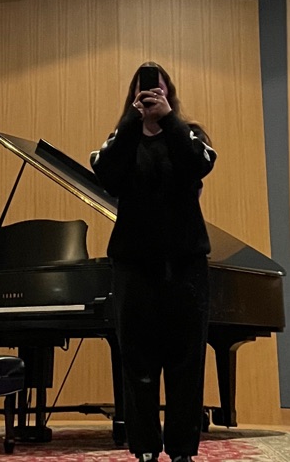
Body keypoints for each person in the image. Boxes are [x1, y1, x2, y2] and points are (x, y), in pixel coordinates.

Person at [91, 61, 217, 462]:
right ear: (133, 96)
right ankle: (144, 448)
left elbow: (199, 164)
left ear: (169, 93)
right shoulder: (120, 139)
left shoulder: (189, 134)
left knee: (186, 362)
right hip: (134, 267)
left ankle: (182, 450)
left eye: (158, 90)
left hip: (186, 267)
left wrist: (169, 120)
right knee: (137, 360)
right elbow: (107, 175)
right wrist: (133, 123)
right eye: (144, 91)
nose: (150, 96)